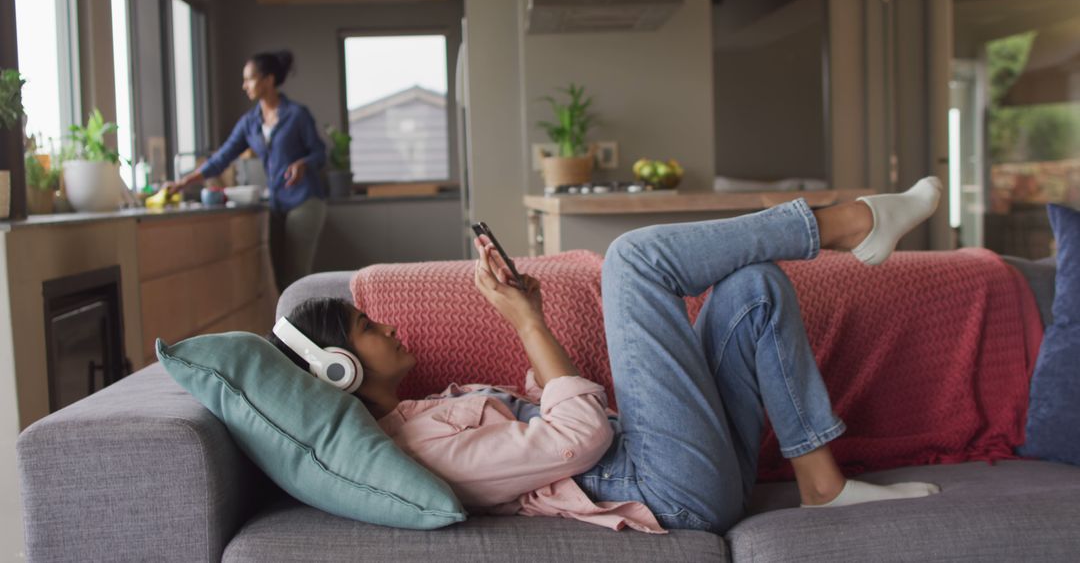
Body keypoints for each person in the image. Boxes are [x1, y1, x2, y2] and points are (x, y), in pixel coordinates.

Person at [269, 177, 945, 534]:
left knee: (752, 289)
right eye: (364, 327)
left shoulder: (427, 410)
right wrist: (530, 325)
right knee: (634, 259)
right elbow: (581, 438)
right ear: (339, 370)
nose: (383, 326)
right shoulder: (416, 454)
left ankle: (820, 484)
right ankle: (852, 221)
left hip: (686, 470)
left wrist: (530, 319)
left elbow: (558, 428)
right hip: (667, 492)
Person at [168, 50, 327, 292]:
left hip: (305, 201)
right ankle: (284, 329)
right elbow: (222, 157)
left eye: (249, 79)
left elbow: (320, 153)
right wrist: (185, 182)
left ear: (268, 80)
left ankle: (298, 329)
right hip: (276, 204)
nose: (244, 85)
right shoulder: (250, 122)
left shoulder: (297, 115)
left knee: (295, 276)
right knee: (274, 276)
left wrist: (302, 163)